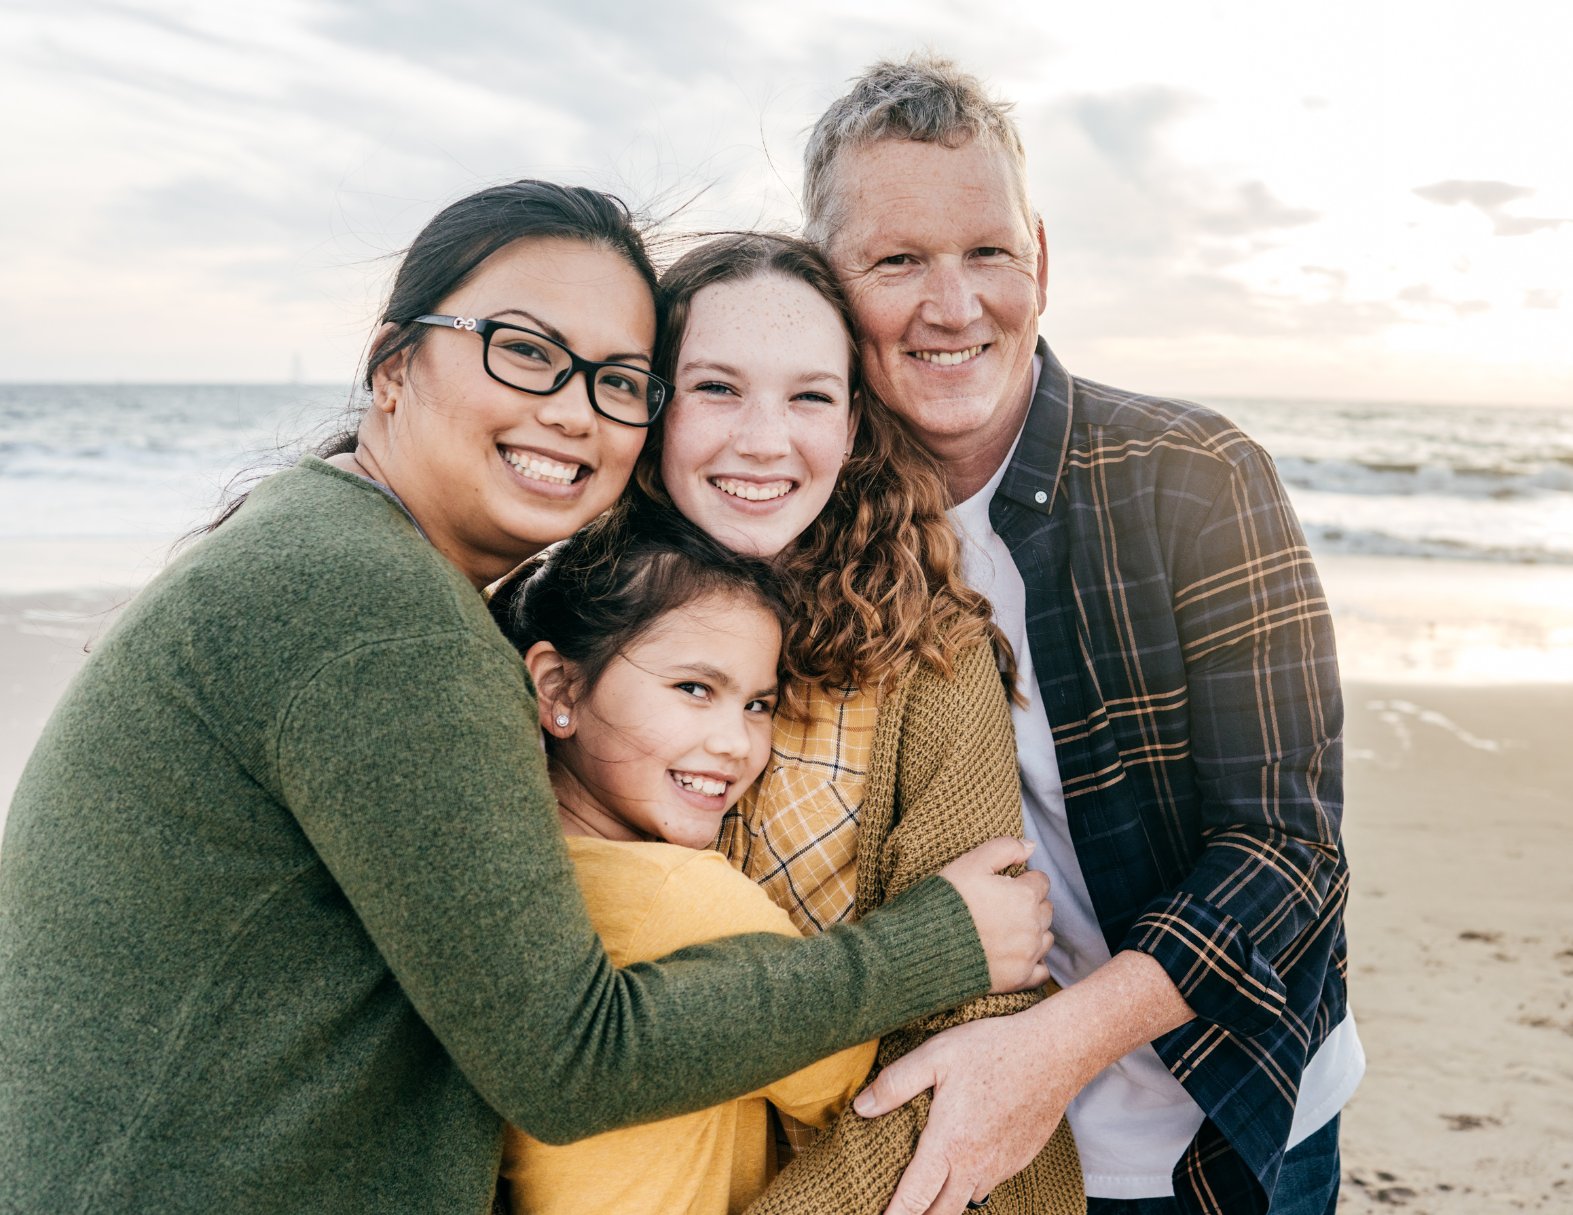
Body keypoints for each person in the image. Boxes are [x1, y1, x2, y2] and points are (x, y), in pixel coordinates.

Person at [0, 181, 1053, 1215]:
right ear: (394, 365)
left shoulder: (354, 562)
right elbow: (572, 1058)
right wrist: (923, 947)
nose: (570, 410)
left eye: (615, 380)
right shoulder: (387, 616)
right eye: (526, 351)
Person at [805, 58, 1362, 1215]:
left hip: (1228, 1118)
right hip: (949, 1129)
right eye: (898, 260)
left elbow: (1288, 855)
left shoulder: (1196, 479)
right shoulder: (800, 519)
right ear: (827, 283)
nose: (953, 305)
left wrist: (1045, 1058)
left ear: (1041, 263)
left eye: (987, 253)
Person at [631, 231, 1084, 1215]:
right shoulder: (565, 634)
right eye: (716, 387)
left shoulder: (932, 658)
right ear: (652, 403)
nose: (764, 440)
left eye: (809, 395)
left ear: (854, 424)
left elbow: (970, 1026)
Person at [491, 503, 884, 1215]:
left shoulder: (503, 872)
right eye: (694, 689)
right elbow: (859, 1080)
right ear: (559, 688)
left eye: (759, 704)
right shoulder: (679, 894)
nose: (737, 743)